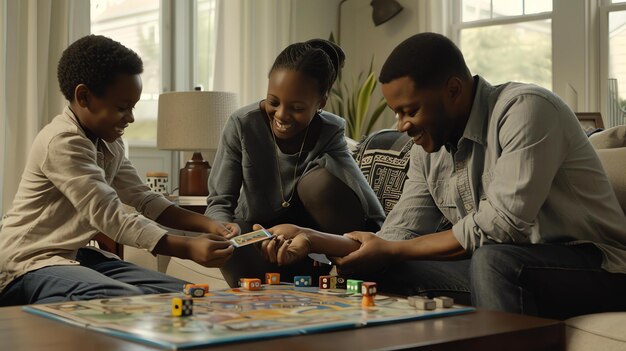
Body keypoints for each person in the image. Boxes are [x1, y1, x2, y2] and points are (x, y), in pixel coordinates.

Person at [261, 32, 626, 319]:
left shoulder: (526, 110)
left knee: (493, 259)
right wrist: (311, 238)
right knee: (383, 272)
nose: (402, 126)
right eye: (396, 113)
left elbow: (502, 226)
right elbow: (397, 235)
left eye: (410, 110)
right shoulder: (428, 150)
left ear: (454, 90)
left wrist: (395, 249)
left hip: (599, 269)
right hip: (506, 271)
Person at [0, 35, 238, 306]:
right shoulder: (62, 141)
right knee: (123, 299)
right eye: (122, 108)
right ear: (84, 96)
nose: (132, 118)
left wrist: (208, 224)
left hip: (75, 255)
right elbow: (109, 215)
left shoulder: (110, 144)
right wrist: (186, 248)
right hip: (27, 262)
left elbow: (144, 199)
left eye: (133, 107)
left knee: (189, 295)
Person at [205, 39, 385, 287]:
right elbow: (219, 202)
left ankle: (345, 273)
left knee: (320, 183)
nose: (281, 115)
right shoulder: (242, 124)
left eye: (297, 107)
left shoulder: (329, 130)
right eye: (274, 102)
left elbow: (362, 197)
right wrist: (225, 233)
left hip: (307, 238)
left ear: (321, 103)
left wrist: (381, 237)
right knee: (234, 235)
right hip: (258, 233)